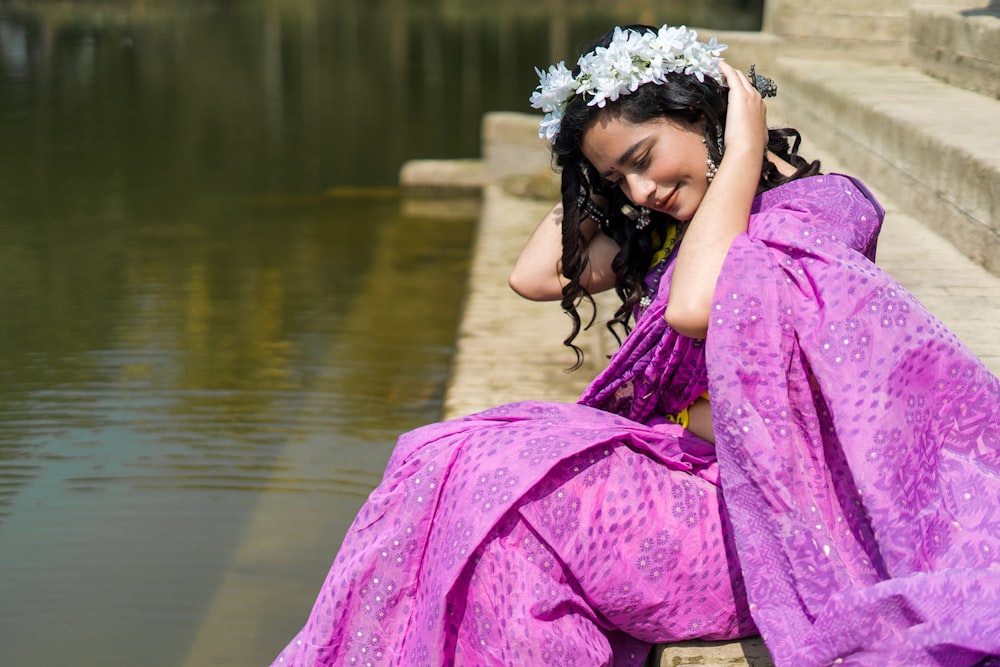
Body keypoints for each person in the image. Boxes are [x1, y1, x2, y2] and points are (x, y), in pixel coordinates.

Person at [270, 24, 1000, 667]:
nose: (643, 189)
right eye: (622, 178)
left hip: (766, 521)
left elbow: (694, 307)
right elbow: (537, 275)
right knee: (445, 459)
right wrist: (588, 162)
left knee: (508, 487)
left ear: (701, 113)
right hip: (685, 481)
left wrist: (739, 144)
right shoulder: (675, 235)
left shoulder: (820, 208)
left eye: (647, 158)